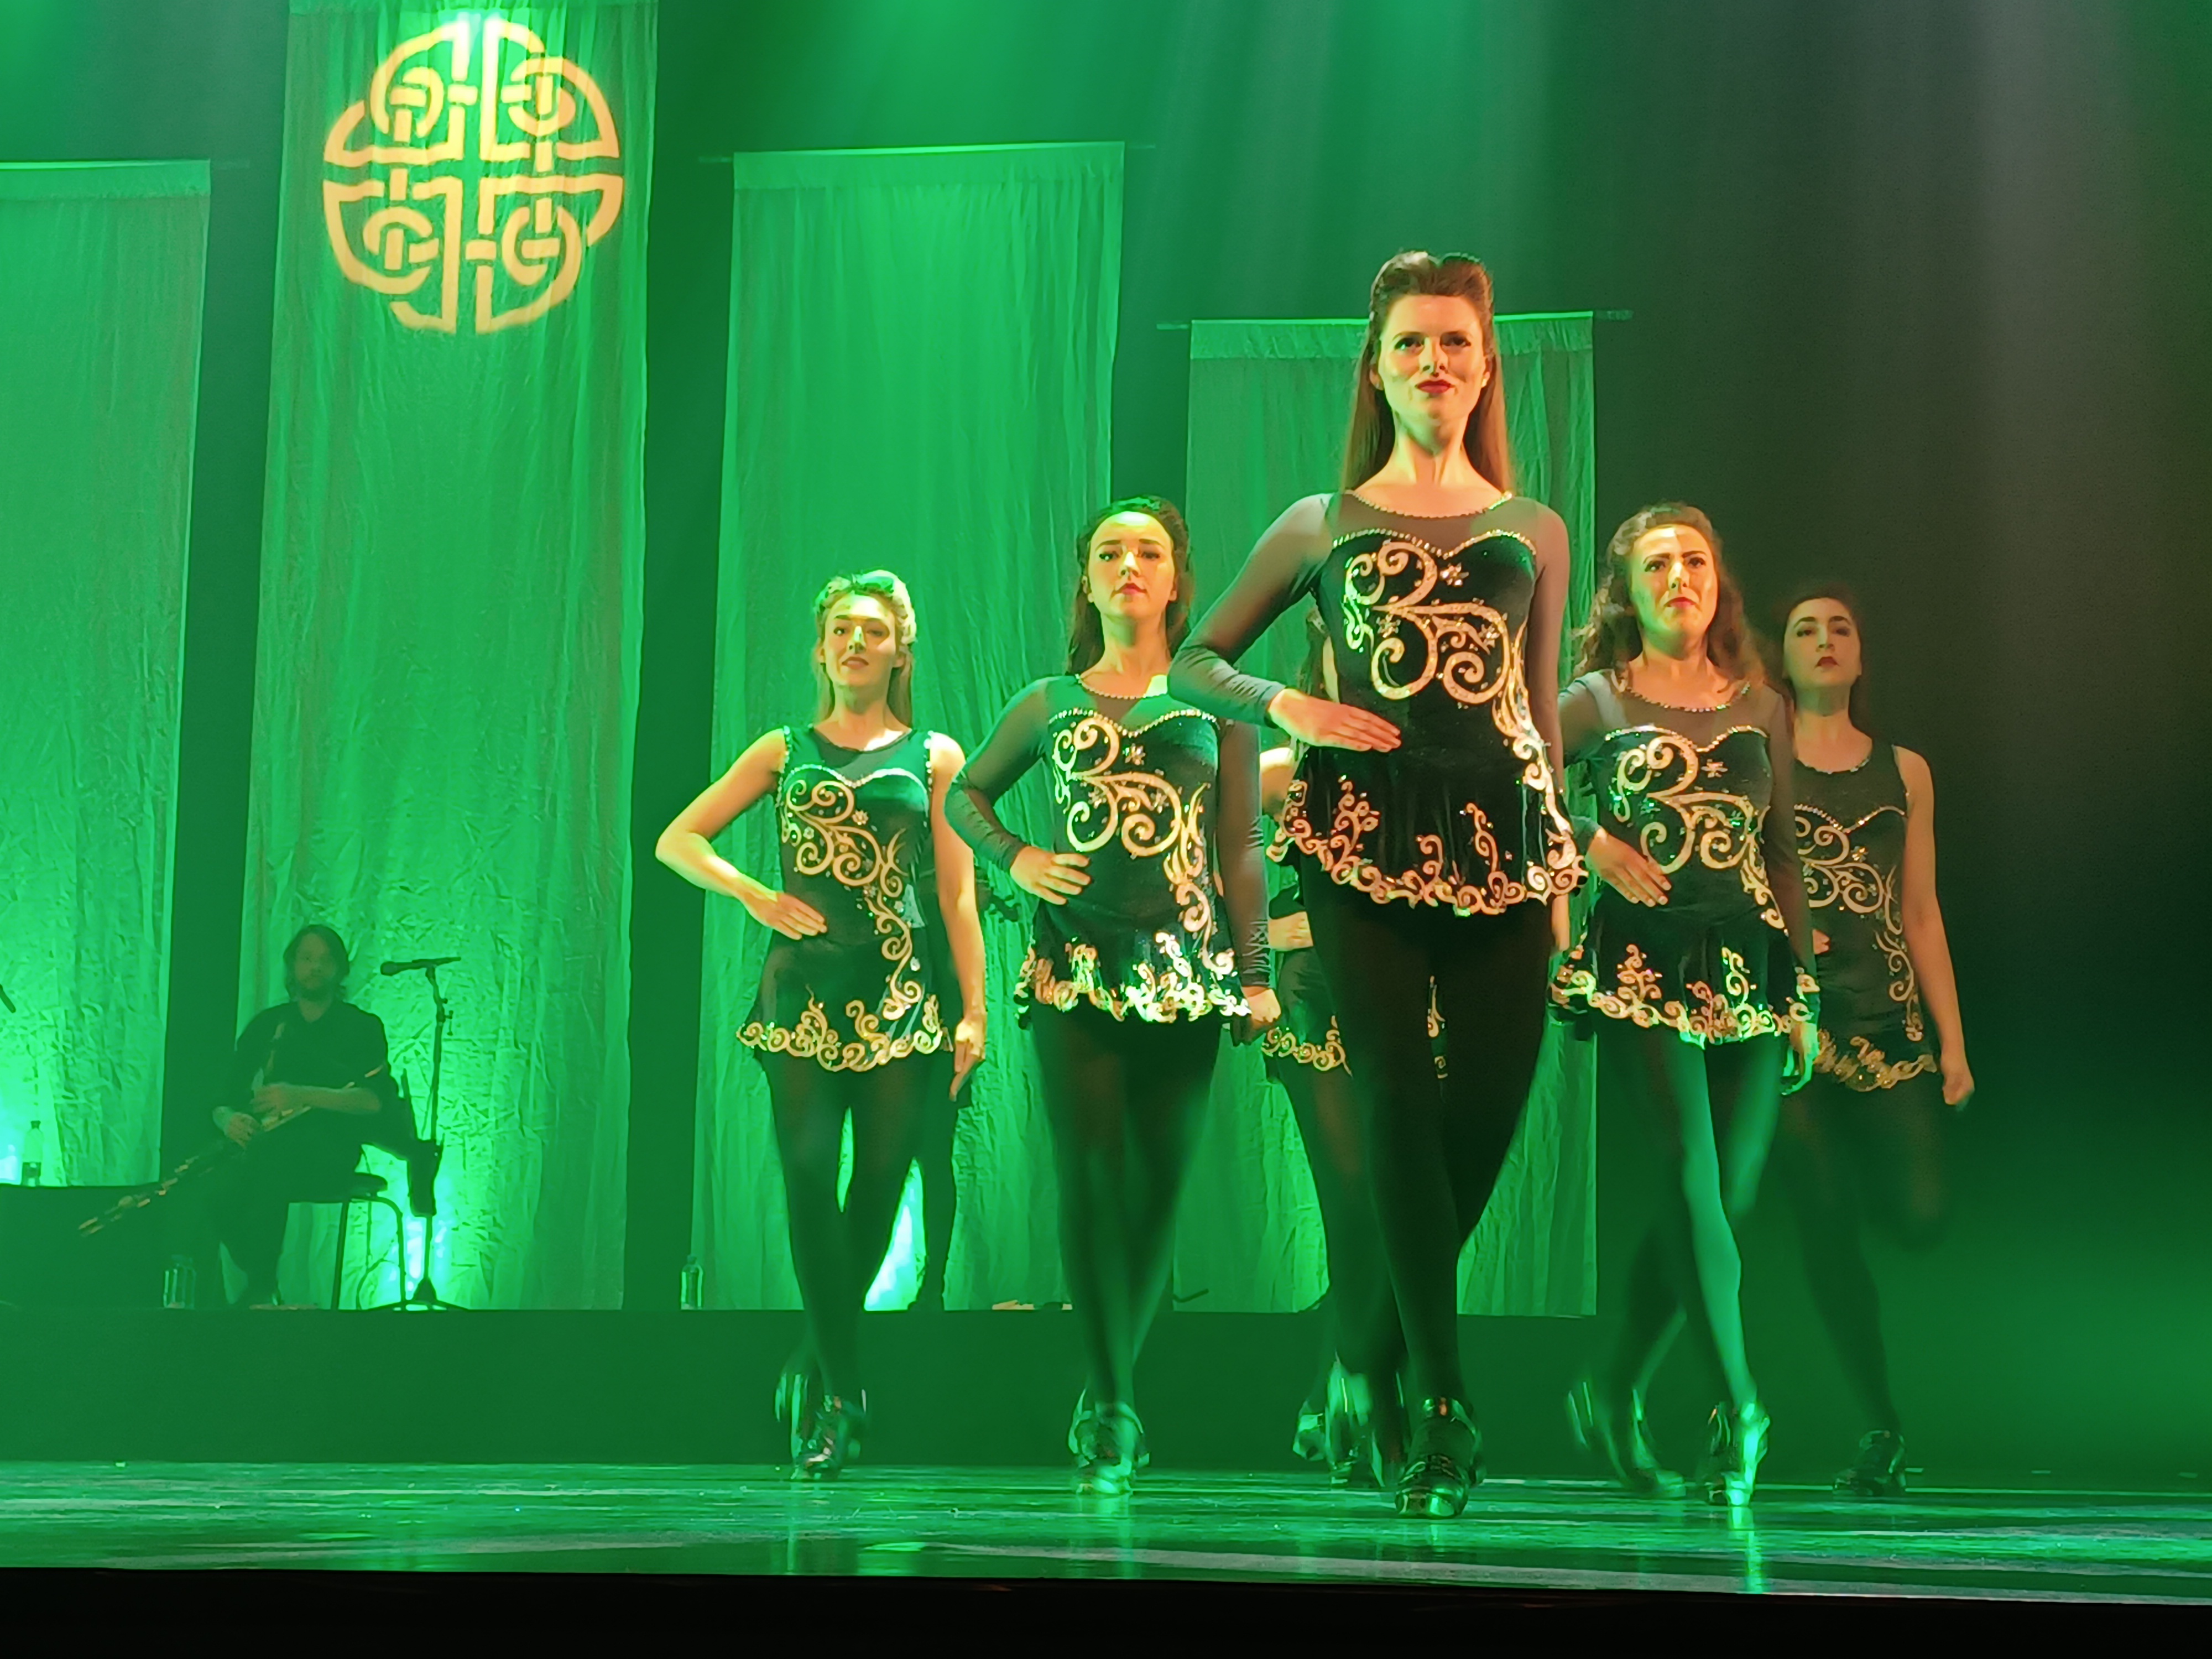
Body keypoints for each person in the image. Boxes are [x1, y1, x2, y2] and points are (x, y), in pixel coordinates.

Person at [1169, 252, 1580, 1517]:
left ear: (1485, 366)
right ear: (1377, 368)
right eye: (1409, 343)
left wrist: (1562, 884)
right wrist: (1289, 704)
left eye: (1453, 342)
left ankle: (1361, 1343)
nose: (1431, 362)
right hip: (1357, 843)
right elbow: (1195, 661)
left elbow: (1537, 718)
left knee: (1485, 1117)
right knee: (1399, 1105)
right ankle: (1441, 1405)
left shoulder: (1533, 529)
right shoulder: (1322, 523)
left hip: (1505, 848)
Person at [948, 496, 1276, 1496]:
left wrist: (1257, 974)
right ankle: (1112, 1401)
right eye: (1109, 553)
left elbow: (1240, 844)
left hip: (1188, 967)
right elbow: (964, 793)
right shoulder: (1050, 700)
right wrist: (1015, 858)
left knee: (1157, 1188)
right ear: (1087, 581)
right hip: (1075, 964)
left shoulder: (1217, 701)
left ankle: (1110, 1390)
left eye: (1149, 552)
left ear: (1177, 579)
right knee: (1089, 1179)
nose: (1129, 565)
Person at [656, 570, 987, 1480]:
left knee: (878, 1185)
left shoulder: (936, 756)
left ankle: (818, 1355)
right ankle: (846, 1396)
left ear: (899, 651)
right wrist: (754, 894)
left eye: (872, 631)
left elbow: (957, 894)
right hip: (801, 993)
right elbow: (678, 839)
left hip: (899, 994)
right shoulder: (783, 749)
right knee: (807, 1178)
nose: (855, 643)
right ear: (820, 649)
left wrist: (974, 1012)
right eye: (841, 629)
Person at [1550, 503, 1819, 1507]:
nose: (1679, 577)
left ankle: (1612, 1382)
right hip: (1640, 964)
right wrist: (1590, 840)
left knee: (1722, 1198)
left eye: (1695, 561)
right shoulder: (1596, 700)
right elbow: (1516, 782)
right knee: (1688, 1177)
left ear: (1718, 583)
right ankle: (1740, 1406)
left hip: (1752, 965)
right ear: (1628, 591)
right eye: (1658, 564)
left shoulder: (1763, 708)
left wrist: (1805, 992)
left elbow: (1783, 853)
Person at [1772, 585, 1973, 1496]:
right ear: (1783, 656)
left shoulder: (1906, 771)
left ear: (1860, 655)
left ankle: (1910, 1391)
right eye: (1805, 629)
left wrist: (1954, 1045)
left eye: (1840, 628)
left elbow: (1920, 911)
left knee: (1919, 1218)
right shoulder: (1761, 755)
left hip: (1889, 1027)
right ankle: (1879, 1424)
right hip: (1792, 1028)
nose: (1824, 640)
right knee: (1824, 1218)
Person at [210, 924, 401, 1307]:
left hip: (330, 1150)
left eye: (325, 960)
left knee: (269, 1163)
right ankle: (219, 1294)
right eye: (306, 958)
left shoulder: (362, 1027)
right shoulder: (268, 1024)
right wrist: (228, 1120)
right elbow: (226, 1094)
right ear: (292, 966)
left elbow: (374, 1101)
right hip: (267, 1144)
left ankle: (261, 1286)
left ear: (340, 969)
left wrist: (300, 1094)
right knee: (213, 1184)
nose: (315, 967)